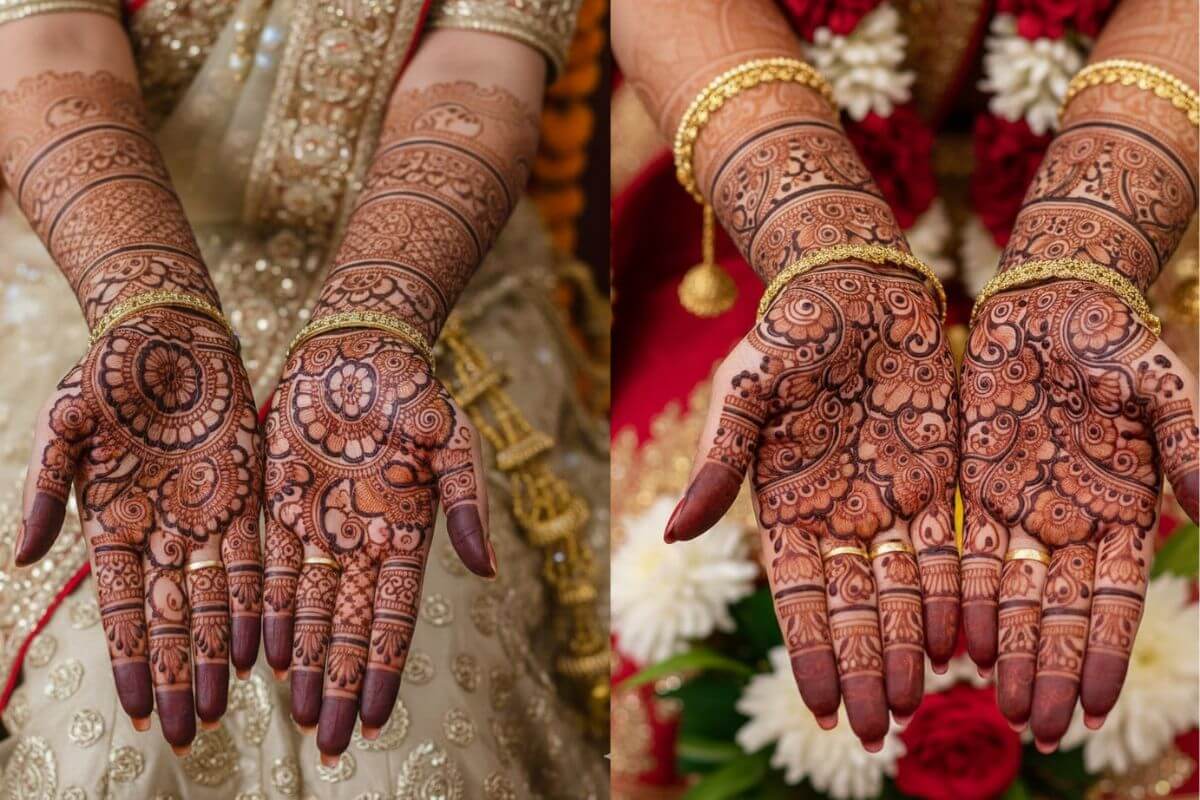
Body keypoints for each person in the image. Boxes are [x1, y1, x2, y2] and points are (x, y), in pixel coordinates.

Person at [0, 1, 609, 796]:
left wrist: (375, 321)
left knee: (399, 702)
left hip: (423, 293)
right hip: (93, 282)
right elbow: (52, 37)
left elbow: (482, 61)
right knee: (106, 685)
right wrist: (151, 304)